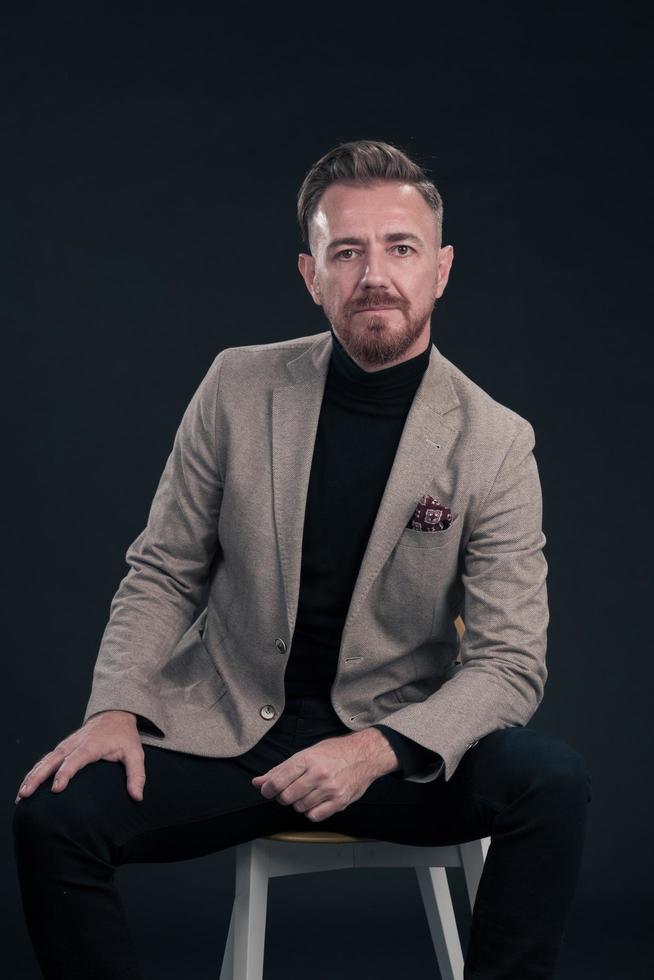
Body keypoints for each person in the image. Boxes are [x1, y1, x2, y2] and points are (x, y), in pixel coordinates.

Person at [13, 139, 591, 979]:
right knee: (51, 817)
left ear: (442, 268)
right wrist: (115, 708)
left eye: (401, 247)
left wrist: (379, 748)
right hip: (231, 734)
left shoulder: (496, 442)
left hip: (397, 746)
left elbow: (509, 662)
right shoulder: (236, 386)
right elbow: (165, 569)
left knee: (553, 781)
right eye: (345, 251)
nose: (375, 274)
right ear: (310, 273)